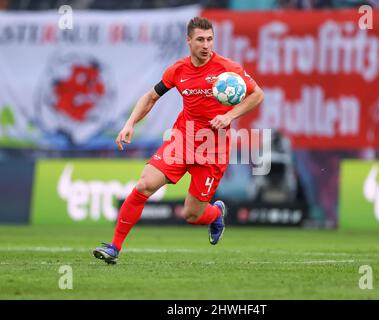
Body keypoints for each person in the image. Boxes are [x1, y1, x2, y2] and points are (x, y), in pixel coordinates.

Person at [93, 16, 264, 264]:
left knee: (192, 214)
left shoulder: (228, 69)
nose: (206, 45)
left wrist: (229, 116)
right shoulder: (178, 70)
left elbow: (257, 95)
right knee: (143, 185)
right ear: (188, 41)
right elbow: (150, 97)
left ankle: (216, 213)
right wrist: (130, 123)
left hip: (212, 149)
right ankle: (114, 248)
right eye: (200, 40)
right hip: (181, 141)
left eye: (210, 39)